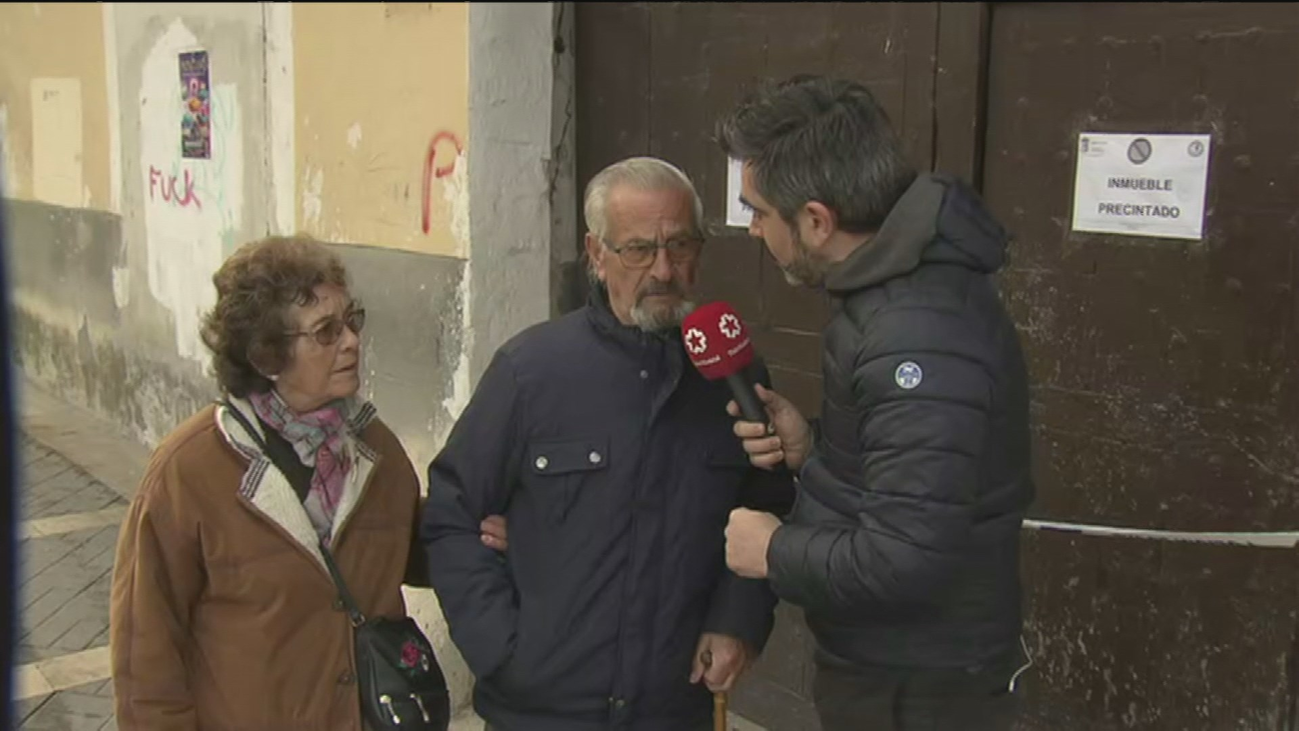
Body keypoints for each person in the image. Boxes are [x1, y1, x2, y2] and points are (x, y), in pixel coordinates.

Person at [420, 157, 796, 731]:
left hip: (674, 703)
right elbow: (451, 514)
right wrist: (501, 650)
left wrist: (736, 621)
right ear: (597, 255)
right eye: (639, 250)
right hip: (542, 710)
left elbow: (765, 505)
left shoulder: (734, 377)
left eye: (680, 246)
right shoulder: (531, 372)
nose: (664, 270)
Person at [715, 74, 1036, 730]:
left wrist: (773, 549)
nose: (751, 230)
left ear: (814, 220)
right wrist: (813, 445)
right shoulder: (894, 295)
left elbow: (905, 553)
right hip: (899, 663)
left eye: (756, 210)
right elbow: (912, 477)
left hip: (916, 684)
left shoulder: (914, 326)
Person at [108, 235, 456, 730]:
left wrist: (477, 529)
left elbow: (403, 548)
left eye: (351, 320)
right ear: (267, 357)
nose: (352, 341)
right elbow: (145, 651)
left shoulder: (373, 448)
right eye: (326, 331)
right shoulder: (189, 471)